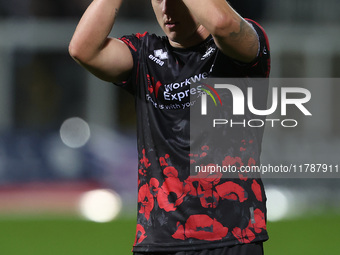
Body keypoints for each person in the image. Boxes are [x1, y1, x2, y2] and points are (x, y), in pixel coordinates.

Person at [69, 0, 271, 254]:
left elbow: (222, 23)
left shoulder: (241, 47)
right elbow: (82, 49)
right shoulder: (144, 53)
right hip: (160, 240)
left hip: (233, 238)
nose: (166, 9)